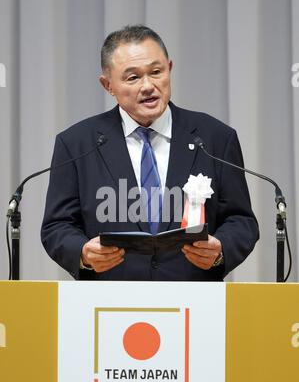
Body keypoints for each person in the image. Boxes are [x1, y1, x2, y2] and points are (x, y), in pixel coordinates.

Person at [41, 25, 259, 281]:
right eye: (132, 77)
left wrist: (220, 249)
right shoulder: (77, 143)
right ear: (108, 84)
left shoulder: (215, 138)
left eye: (156, 72)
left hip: (194, 300)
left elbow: (241, 220)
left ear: (170, 69)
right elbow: (57, 226)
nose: (148, 86)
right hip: (108, 301)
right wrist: (83, 253)